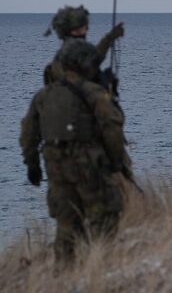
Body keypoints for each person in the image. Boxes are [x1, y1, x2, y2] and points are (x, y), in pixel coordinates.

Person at [20, 39, 132, 263]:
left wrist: (32, 166)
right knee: (104, 215)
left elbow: (28, 135)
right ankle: (102, 266)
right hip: (87, 164)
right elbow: (112, 127)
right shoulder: (92, 92)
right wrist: (117, 162)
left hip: (54, 168)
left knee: (67, 224)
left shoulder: (43, 96)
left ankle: (65, 274)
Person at [43, 5, 124, 85]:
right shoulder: (78, 47)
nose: (85, 30)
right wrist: (109, 38)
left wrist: (109, 38)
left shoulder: (59, 55)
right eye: (81, 28)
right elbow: (94, 59)